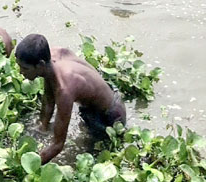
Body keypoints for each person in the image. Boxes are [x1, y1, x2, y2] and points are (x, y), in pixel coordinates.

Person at [16, 34, 127, 164]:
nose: (20, 72)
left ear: (40, 65)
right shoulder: (51, 56)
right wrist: (42, 127)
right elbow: (48, 97)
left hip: (110, 116)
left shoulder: (64, 90)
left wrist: (26, 166)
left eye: (24, 68)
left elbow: (57, 145)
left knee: (90, 150)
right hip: (108, 93)